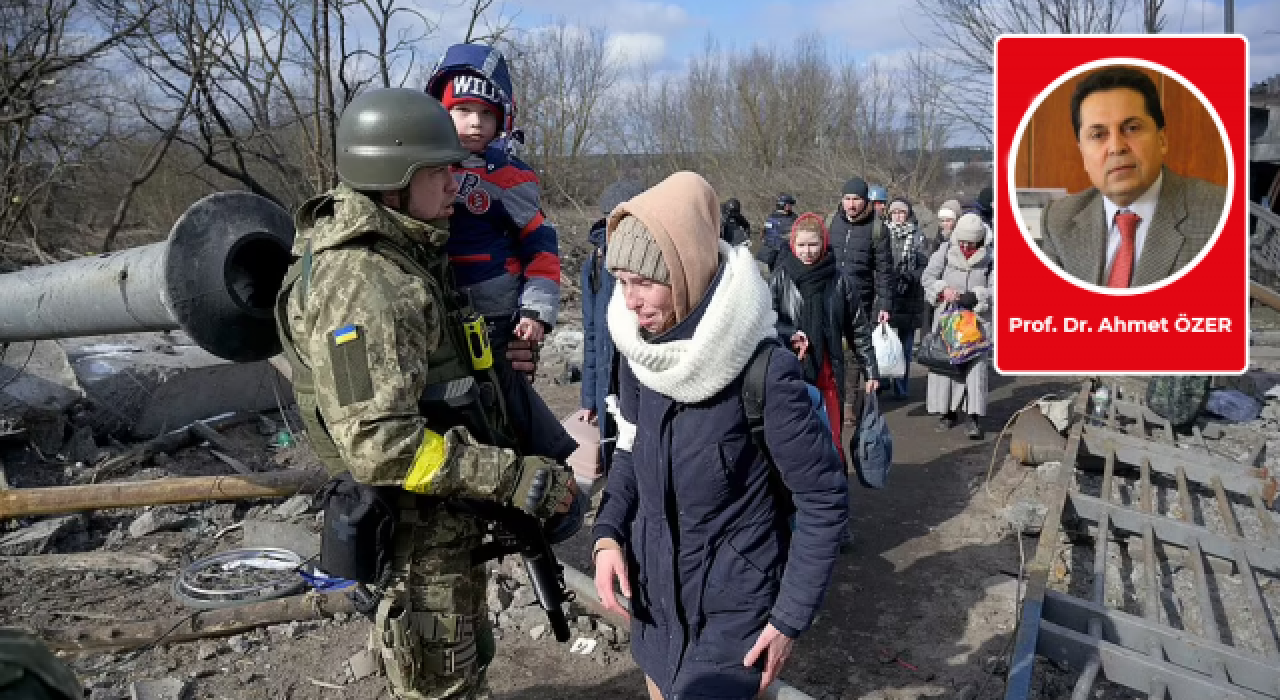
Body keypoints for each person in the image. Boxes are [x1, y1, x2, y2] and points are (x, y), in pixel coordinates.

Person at [274, 87, 580, 699]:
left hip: (443, 513)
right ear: (394, 179)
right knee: (443, 683)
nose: (455, 183)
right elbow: (379, 444)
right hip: (417, 528)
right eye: (439, 170)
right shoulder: (364, 282)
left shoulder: (405, 248)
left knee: (464, 662)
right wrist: (508, 476)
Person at [591, 172, 848, 700]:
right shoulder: (642, 354)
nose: (630, 301)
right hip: (655, 615)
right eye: (620, 280)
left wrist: (789, 618)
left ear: (686, 271)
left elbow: (823, 499)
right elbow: (630, 448)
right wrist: (607, 533)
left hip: (734, 626)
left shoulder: (762, 370)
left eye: (644, 281)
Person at [424, 44, 561, 361]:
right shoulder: (418, 169)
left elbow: (542, 248)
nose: (475, 122)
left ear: (503, 116)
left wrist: (535, 311)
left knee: (503, 402)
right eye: (463, 110)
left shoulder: (510, 178)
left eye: (487, 112)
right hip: (433, 313)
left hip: (498, 318)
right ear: (440, 113)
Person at [1039, 66, 1227, 288]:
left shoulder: (1220, 212)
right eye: (1098, 135)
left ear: (1162, 140)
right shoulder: (1059, 221)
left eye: (1132, 128)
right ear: (1082, 153)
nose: (1117, 148)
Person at [769, 212, 880, 460]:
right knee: (797, 439)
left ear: (824, 243)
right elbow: (766, 323)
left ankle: (834, 490)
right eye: (802, 245)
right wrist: (789, 334)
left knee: (831, 438)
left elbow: (859, 328)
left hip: (829, 371)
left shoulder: (841, 281)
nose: (807, 251)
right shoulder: (780, 278)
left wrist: (871, 371)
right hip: (792, 371)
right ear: (793, 245)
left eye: (813, 245)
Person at [578, 179, 646, 480]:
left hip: (644, 378)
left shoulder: (653, 260)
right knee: (615, 465)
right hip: (609, 382)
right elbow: (592, 334)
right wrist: (589, 398)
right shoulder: (594, 265)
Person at [828, 176, 894, 421]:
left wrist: (885, 304)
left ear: (866, 201)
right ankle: (833, 397)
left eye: (856, 199)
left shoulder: (878, 229)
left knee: (856, 352)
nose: (851, 204)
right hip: (832, 296)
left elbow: (885, 271)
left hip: (861, 299)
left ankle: (849, 404)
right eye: (847, 199)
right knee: (833, 347)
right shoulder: (831, 221)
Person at [922, 213, 993, 439]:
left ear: (980, 241)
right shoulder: (944, 251)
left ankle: (974, 418)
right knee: (947, 366)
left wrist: (978, 296)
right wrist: (943, 290)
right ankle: (948, 412)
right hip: (948, 320)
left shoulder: (992, 258)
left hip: (977, 324)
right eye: (962, 241)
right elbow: (927, 278)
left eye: (970, 243)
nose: (965, 246)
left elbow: (1001, 288)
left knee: (975, 371)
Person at [884, 198, 929, 399]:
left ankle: (901, 386)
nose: (898, 216)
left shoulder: (919, 237)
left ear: (908, 214)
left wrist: (910, 276)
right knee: (883, 342)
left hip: (910, 295)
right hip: (887, 294)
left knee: (906, 345)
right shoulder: (883, 234)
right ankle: (883, 380)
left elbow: (924, 266)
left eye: (902, 212)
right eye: (895, 213)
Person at [758, 193, 797, 270]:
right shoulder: (789, 219)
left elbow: (762, 235)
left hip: (769, 256)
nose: (791, 207)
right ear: (785, 206)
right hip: (778, 256)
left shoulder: (771, 216)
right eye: (790, 205)